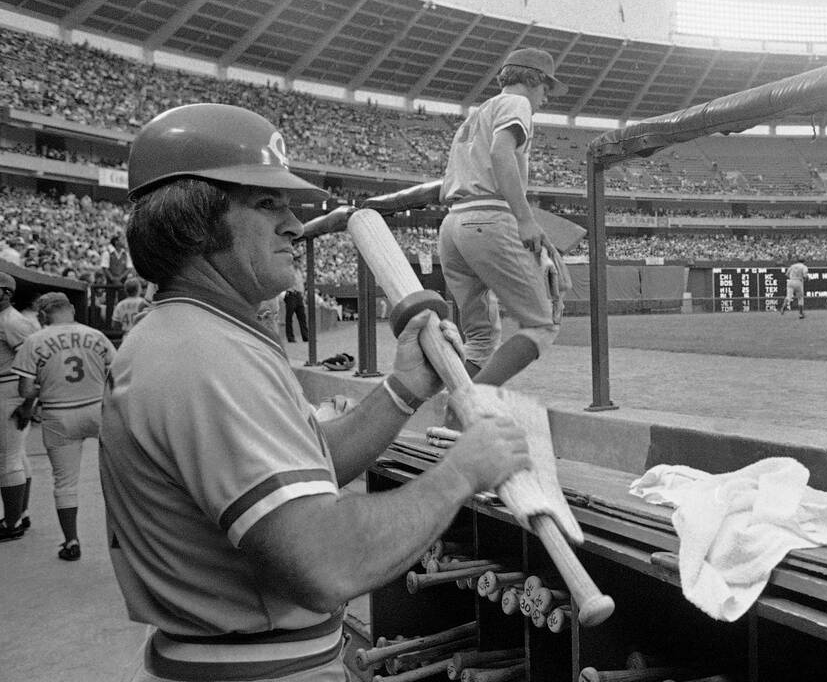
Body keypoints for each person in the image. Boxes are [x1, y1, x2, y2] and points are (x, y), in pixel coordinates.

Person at [100, 103, 531, 682]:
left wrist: (402, 389)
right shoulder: (204, 356)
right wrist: (461, 472)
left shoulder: (197, 333)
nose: (295, 224)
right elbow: (325, 563)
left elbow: (305, 463)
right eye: (266, 203)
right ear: (193, 222)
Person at [438, 48, 568, 386]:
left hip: (452, 224)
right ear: (533, 79)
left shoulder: (478, 113)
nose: (546, 98)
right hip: (487, 217)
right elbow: (500, 152)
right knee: (542, 326)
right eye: (545, 89)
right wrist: (525, 219)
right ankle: (470, 405)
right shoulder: (517, 103)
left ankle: (454, 416)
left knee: (480, 341)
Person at [13, 291, 115, 560]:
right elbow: (115, 376)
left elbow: (25, 389)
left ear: (44, 315)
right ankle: (121, 536)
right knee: (116, 478)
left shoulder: (35, 340)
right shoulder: (96, 335)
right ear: (70, 308)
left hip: (59, 414)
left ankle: (71, 542)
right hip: (97, 408)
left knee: (65, 483)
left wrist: (46, 386)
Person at [0, 271, 37, 541]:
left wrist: (29, 403)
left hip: (10, 391)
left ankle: (11, 524)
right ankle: (20, 515)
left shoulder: (12, 321)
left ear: (7, 293)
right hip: (8, 388)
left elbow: (36, 364)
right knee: (17, 455)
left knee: (7, 459)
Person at [283, 259, 309, 342]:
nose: (299, 263)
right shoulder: (289, 270)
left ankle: (306, 336)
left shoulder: (299, 271)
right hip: (291, 294)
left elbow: (301, 284)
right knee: (289, 317)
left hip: (298, 295)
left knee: (302, 317)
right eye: (298, 261)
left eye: (300, 262)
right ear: (294, 261)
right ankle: (290, 337)